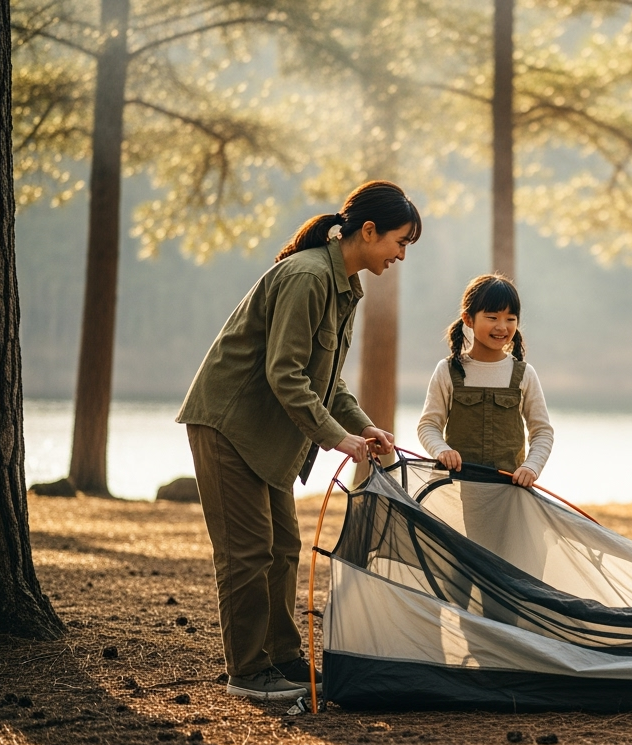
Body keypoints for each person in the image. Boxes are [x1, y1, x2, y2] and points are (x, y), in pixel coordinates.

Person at [177, 181, 420, 700]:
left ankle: (282, 659)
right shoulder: (308, 276)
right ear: (369, 231)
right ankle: (247, 673)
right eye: (400, 242)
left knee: (284, 548)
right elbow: (285, 374)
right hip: (229, 426)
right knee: (248, 555)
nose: (401, 255)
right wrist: (337, 439)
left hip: (268, 437)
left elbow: (328, 382)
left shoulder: (346, 285)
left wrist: (362, 426)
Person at [417, 274, 553, 485]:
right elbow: (428, 425)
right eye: (492, 317)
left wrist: (531, 467)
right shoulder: (447, 370)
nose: (502, 326)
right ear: (468, 319)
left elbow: (542, 431)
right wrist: (442, 450)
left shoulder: (525, 374)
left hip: (510, 491)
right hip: (458, 488)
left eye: (510, 319)